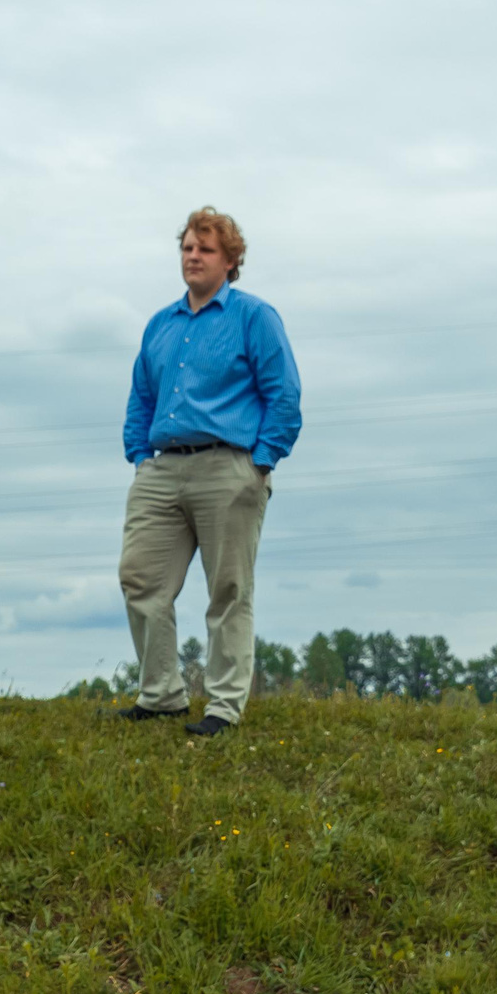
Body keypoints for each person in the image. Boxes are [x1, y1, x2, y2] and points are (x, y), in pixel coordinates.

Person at [115, 205, 303, 737]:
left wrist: (261, 462)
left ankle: (222, 707)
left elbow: (284, 395)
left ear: (230, 260)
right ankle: (161, 696)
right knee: (140, 578)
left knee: (228, 590)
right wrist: (138, 457)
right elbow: (141, 396)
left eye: (206, 249)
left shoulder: (254, 318)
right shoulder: (161, 324)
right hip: (162, 469)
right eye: (187, 248)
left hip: (230, 465)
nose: (193, 256)